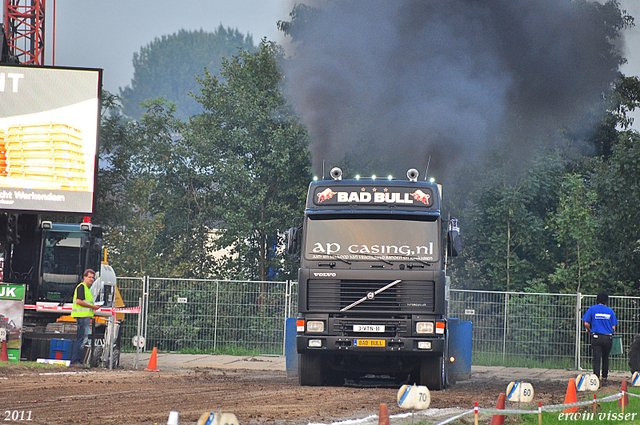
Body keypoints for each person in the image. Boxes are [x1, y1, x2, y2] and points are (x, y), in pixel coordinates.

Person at [582, 292, 618, 384]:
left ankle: (596, 379)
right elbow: (613, 327)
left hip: (596, 337)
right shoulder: (610, 311)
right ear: (606, 300)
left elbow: (586, 323)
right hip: (607, 337)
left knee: (596, 359)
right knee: (605, 358)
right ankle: (605, 377)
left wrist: (589, 330)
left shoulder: (592, 309)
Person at [70, 269, 100, 367]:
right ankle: (76, 361)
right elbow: (79, 301)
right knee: (82, 339)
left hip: (84, 316)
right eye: (89, 277)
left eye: (93, 277)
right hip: (82, 316)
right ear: (84, 277)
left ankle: (78, 361)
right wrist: (93, 307)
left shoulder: (86, 288)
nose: (91, 279)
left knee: (82, 339)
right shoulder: (82, 287)